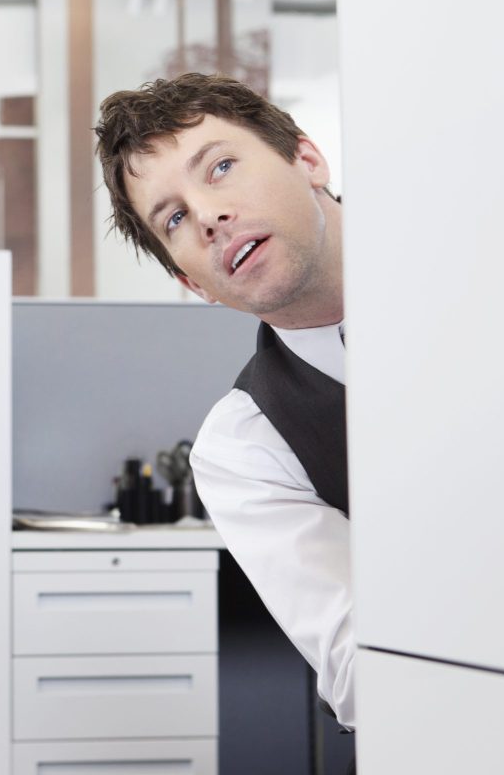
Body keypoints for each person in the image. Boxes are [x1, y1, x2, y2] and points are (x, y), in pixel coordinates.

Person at [94, 73, 356, 730]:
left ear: (308, 158)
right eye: (175, 218)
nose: (208, 216)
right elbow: (360, 665)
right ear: (191, 281)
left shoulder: (488, 259)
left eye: (222, 166)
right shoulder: (247, 441)